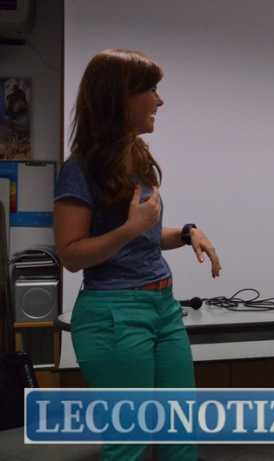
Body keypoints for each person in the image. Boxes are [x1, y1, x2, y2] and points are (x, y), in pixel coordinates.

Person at [54, 49, 221, 461]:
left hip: (163, 307)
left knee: (180, 433)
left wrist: (186, 234)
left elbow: (142, 236)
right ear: (118, 98)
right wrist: (130, 227)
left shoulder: (136, 159)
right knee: (130, 442)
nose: (159, 100)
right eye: (150, 90)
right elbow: (71, 254)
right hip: (114, 315)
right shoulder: (80, 169)